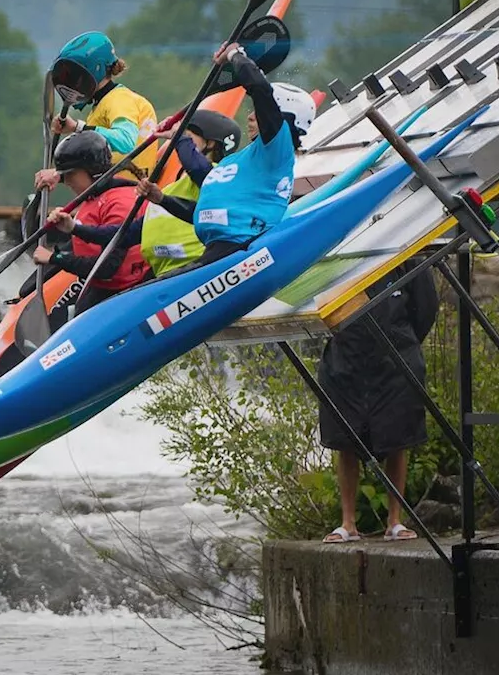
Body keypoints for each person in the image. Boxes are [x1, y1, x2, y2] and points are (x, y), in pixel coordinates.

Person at [148, 41, 318, 268]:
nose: (249, 116)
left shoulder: (277, 149)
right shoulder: (238, 161)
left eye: (256, 111)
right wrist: (162, 199)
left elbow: (259, 88)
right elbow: (203, 212)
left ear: (282, 119)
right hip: (214, 251)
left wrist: (235, 54)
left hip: (239, 250)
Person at [316, 257, 440, 543]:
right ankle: (347, 524)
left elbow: (426, 309)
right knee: (345, 440)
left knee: (398, 440)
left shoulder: (405, 258)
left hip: (396, 357)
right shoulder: (338, 255)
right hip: (345, 358)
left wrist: (401, 341)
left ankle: (395, 521)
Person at [44, 110, 243, 278]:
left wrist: (179, 136)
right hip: (163, 273)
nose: (179, 142)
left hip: (193, 269)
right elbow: (123, 234)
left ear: (210, 144)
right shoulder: (172, 188)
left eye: (187, 138)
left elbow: (198, 169)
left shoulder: (215, 179)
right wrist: (75, 228)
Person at [29, 130, 151, 312]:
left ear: (92, 171)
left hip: (126, 293)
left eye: (70, 175)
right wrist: (57, 177)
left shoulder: (120, 203)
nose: (67, 181)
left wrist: (55, 258)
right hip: (101, 288)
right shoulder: (96, 192)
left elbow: (108, 268)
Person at [40, 31, 159, 181]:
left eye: (73, 75)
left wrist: (79, 128)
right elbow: (94, 166)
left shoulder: (119, 99)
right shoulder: (101, 106)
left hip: (128, 195)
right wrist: (59, 176)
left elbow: (125, 141)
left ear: (95, 69)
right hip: (112, 193)